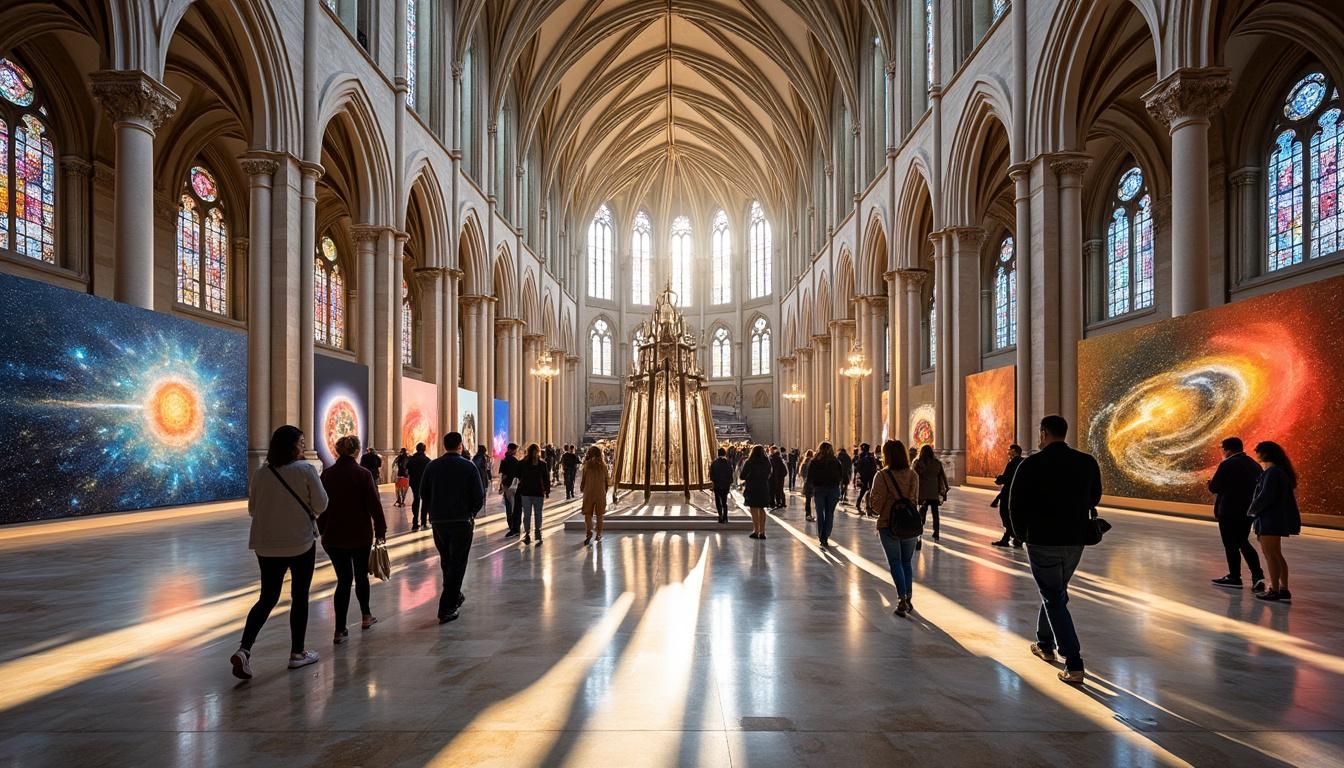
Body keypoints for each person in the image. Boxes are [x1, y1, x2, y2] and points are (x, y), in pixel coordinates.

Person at [1009, 415, 1102, 686]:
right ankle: (1044, 643)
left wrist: (1019, 534)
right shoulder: (1086, 462)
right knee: (1055, 591)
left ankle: (1073, 661)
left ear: (1043, 433)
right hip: (1074, 539)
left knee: (1053, 595)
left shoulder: (1031, 464)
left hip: (1042, 539)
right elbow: (1094, 497)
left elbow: (1016, 503)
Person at [230, 426, 329, 680]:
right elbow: (322, 504)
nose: (303, 446)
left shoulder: (262, 473)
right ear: (292, 446)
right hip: (300, 543)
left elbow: (252, 509)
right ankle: (297, 653)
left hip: (265, 544)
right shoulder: (305, 469)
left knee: (267, 597)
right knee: (299, 596)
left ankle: (244, 649)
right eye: (301, 442)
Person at [318, 435, 387, 645]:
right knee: (361, 576)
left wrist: (322, 530)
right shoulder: (363, 474)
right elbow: (374, 505)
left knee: (343, 580)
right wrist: (381, 529)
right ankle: (366, 616)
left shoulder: (327, 474)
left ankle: (340, 629)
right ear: (357, 451)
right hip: (359, 535)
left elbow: (321, 507)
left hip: (333, 536)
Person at [419, 432, 484, 623]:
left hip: (439, 522)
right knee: (457, 562)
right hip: (461, 521)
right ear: (460, 445)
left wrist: (434, 511)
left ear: (444, 445)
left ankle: (454, 595)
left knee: (447, 559)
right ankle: (447, 607)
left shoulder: (433, 466)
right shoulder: (468, 466)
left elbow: (424, 493)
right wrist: (471, 513)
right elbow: (478, 496)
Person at [870, 439, 922, 617]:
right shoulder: (913, 475)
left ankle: (901, 599)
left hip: (888, 524)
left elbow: (876, 504)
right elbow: (915, 499)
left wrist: (885, 509)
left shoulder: (882, 475)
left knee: (895, 562)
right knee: (907, 562)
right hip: (910, 523)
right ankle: (908, 597)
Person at [1208, 437, 1265, 591]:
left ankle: (1235, 576)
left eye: (1222, 449)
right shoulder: (1254, 465)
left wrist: (1209, 483)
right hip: (1248, 512)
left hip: (1228, 512)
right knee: (1242, 541)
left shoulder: (1227, 464)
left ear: (1228, 450)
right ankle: (1257, 576)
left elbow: (1215, 487)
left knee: (1231, 545)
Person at [1248, 441, 1302, 602]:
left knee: (1270, 555)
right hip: (1275, 519)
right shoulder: (1280, 471)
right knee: (1277, 554)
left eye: (1257, 451)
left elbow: (1265, 496)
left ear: (1265, 453)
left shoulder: (1272, 472)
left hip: (1269, 520)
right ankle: (1283, 588)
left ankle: (1275, 590)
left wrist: (1251, 510)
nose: (1256, 454)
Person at [808, 442, 844, 548]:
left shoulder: (814, 461)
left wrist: (811, 488)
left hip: (819, 489)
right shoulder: (836, 461)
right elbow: (841, 476)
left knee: (820, 513)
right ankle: (825, 536)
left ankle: (821, 535)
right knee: (829, 513)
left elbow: (810, 476)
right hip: (833, 489)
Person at [516, 443, 552, 545]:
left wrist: (547, 490)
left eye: (536, 452)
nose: (535, 454)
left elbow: (546, 479)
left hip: (533, 492)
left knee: (533, 514)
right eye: (534, 451)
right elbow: (518, 474)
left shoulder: (540, 464)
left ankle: (534, 533)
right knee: (531, 514)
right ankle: (531, 534)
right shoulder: (527, 463)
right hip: (530, 492)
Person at [913, 445, 948, 546]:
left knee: (921, 514)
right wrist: (944, 488)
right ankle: (936, 532)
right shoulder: (937, 463)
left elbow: (914, 476)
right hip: (933, 492)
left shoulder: (918, 462)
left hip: (922, 492)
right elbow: (942, 475)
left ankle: (919, 534)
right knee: (935, 513)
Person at [990, 444, 1025, 547]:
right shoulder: (1023, 462)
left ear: (1014, 451)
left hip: (1008, 494)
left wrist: (998, 478)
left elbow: (1006, 478)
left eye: (1009, 450)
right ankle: (1015, 538)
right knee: (1014, 516)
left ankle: (1010, 538)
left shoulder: (1012, 463)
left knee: (1006, 515)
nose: (1008, 451)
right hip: (1019, 493)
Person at [579, 446, 610, 544]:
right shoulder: (604, 465)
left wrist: (582, 488)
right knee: (599, 515)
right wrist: (605, 490)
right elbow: (607, 480)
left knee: (588, 514)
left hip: (589, 492)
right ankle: (598, 534)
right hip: (600, 492)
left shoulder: (587, 465)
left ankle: (589, 532)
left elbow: (583, 479)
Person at [740, 445, 773, 539]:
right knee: (762, 509)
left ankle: (756, 530)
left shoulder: (749, 461)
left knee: (753, 509)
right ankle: (762, 532)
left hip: (752, 487)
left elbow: (742, 476)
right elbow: (769, 474)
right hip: (763, 487)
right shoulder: (766, 462)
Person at [406, 442, 432, 532]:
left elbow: (407, 469)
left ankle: (415, 523)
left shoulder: (411, 459)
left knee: (416, 500)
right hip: (424, 483)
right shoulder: (427, 460)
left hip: (414, 483)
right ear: (424, 449)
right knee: (425, 501)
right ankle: (424, 522)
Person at [499, 443, 521, 537]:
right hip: (514, 486)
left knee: (508, 504)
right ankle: (514, 525)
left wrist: (501, 485)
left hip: (507, 485)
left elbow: (503, 475)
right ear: (513, 450)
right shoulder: (516, 461)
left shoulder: (504, 460)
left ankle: (510, 523)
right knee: (514, 505)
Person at [710, 448, 735, 524]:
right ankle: (725, 516)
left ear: (718, 454)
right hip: (725, 485)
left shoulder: (714, 463)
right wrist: (730, 482)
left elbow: (711, 474)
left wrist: (714, 481)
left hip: (717, 485)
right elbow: (731, 473)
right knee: (724, 501)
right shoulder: (728, 463)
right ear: (725, 454)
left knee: (718, 501)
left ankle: (720, 516)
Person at [854, 443, 878, 515]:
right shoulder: (870, 456)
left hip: (864, 476)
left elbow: (857, 466)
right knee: (870, 491)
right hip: (870, 476)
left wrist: (858, 475)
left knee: (863, 491)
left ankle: (861, 505)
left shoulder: (861, 456)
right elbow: (874, 466)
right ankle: (869, 507)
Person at [800, 449, 816, 521]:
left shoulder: (804, 463)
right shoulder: (812, 462)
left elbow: (802, 473)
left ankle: (808, 514)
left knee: (808, 500)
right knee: (815, 500)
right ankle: (811, 515)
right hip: (812, 484)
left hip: (807, 483)